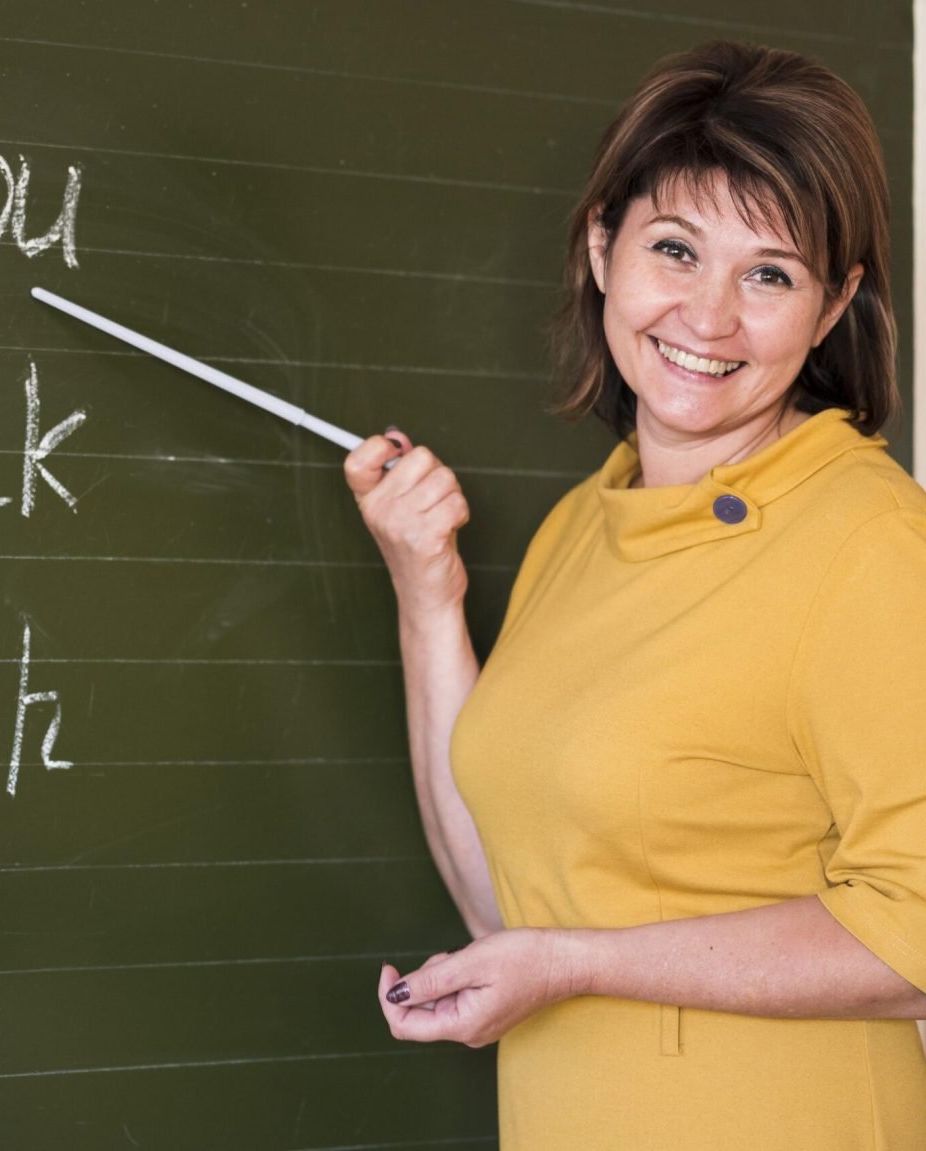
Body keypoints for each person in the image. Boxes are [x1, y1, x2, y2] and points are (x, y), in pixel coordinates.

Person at [344, 40, 926, 1149]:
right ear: (604, 247)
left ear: (831, 304)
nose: (708, 319)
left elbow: (918, 936)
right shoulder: (583, 524)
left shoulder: (871, 543)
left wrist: (580, 960)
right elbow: (504, 904)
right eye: (675, 249)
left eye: (769, 273)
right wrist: (428, 594)